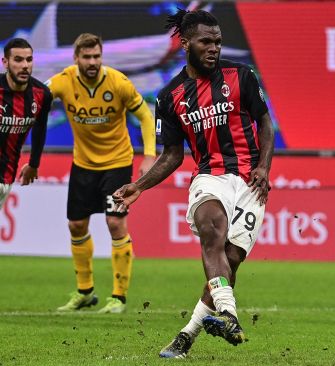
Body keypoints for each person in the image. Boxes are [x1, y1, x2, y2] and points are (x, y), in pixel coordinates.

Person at [112, 9, 274, 358]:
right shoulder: (170, 97)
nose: (213, 48)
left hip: (251, 183)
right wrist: (139, 185)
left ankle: (186, 336)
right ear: (185, 43)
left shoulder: (241, 76)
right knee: (212, 230)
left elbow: (265, 123)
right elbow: (171, 155)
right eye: (205, 41)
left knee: (230, 259)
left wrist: (263, 166)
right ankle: (229, 314)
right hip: (209, 178)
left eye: (217, 41)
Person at [46, 33, 157, 314]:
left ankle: (118, 298)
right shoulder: (63, 81)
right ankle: (85, 292)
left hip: (117, 163)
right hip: (83, 165)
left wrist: (149, 155)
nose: (93, 62)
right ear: (76, 58)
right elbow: (37, 97)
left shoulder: (118, 83)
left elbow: (145, 116)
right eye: (87, 57)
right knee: (76, 226)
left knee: (115, 223)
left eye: (96, 56)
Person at [0, 38, 52, 207]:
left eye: (29, 60)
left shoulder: (41, 94)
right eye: (18, 60)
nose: (25, 65)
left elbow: (40, 127)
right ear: (5, 62)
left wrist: (34, 164)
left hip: (6, 176)